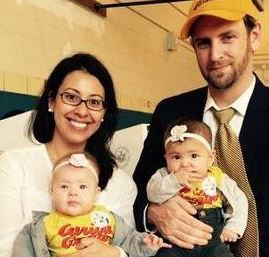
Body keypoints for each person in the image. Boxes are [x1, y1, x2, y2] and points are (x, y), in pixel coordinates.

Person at [133, 0, 269, 256]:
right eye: (203, 43)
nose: (215, 55)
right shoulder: (170, 112)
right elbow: (138, 189)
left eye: (227, 37)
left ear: (254, 37)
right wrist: (153, 213)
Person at [0, 53, 137, 257]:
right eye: (71, 97)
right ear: (52, 101)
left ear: (103, 114)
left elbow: (130, 247)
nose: (82, 111)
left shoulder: (120, 183)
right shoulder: (14, 164)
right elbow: (5, 246)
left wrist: (115, 253)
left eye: (94, 102)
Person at [12, 152, 170, 257]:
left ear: (96, 194)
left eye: (82, 187)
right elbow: (22, 252)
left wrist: (147, 243)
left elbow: (129, 241)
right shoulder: (40, 226)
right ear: (52, 191)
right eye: (64, 186)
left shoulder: (109, 218)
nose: (72, 193)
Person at [146, 119, 247, 257]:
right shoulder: (164, 175)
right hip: (175, 240)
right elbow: (152, 194)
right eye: (176, 157)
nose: (185, 163)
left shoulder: (218, 178)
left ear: (210, 157)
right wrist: (174, 181)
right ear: (166, 159)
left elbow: (240, 200)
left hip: (213, 239)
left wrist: (233, 228)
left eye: (194, 156)